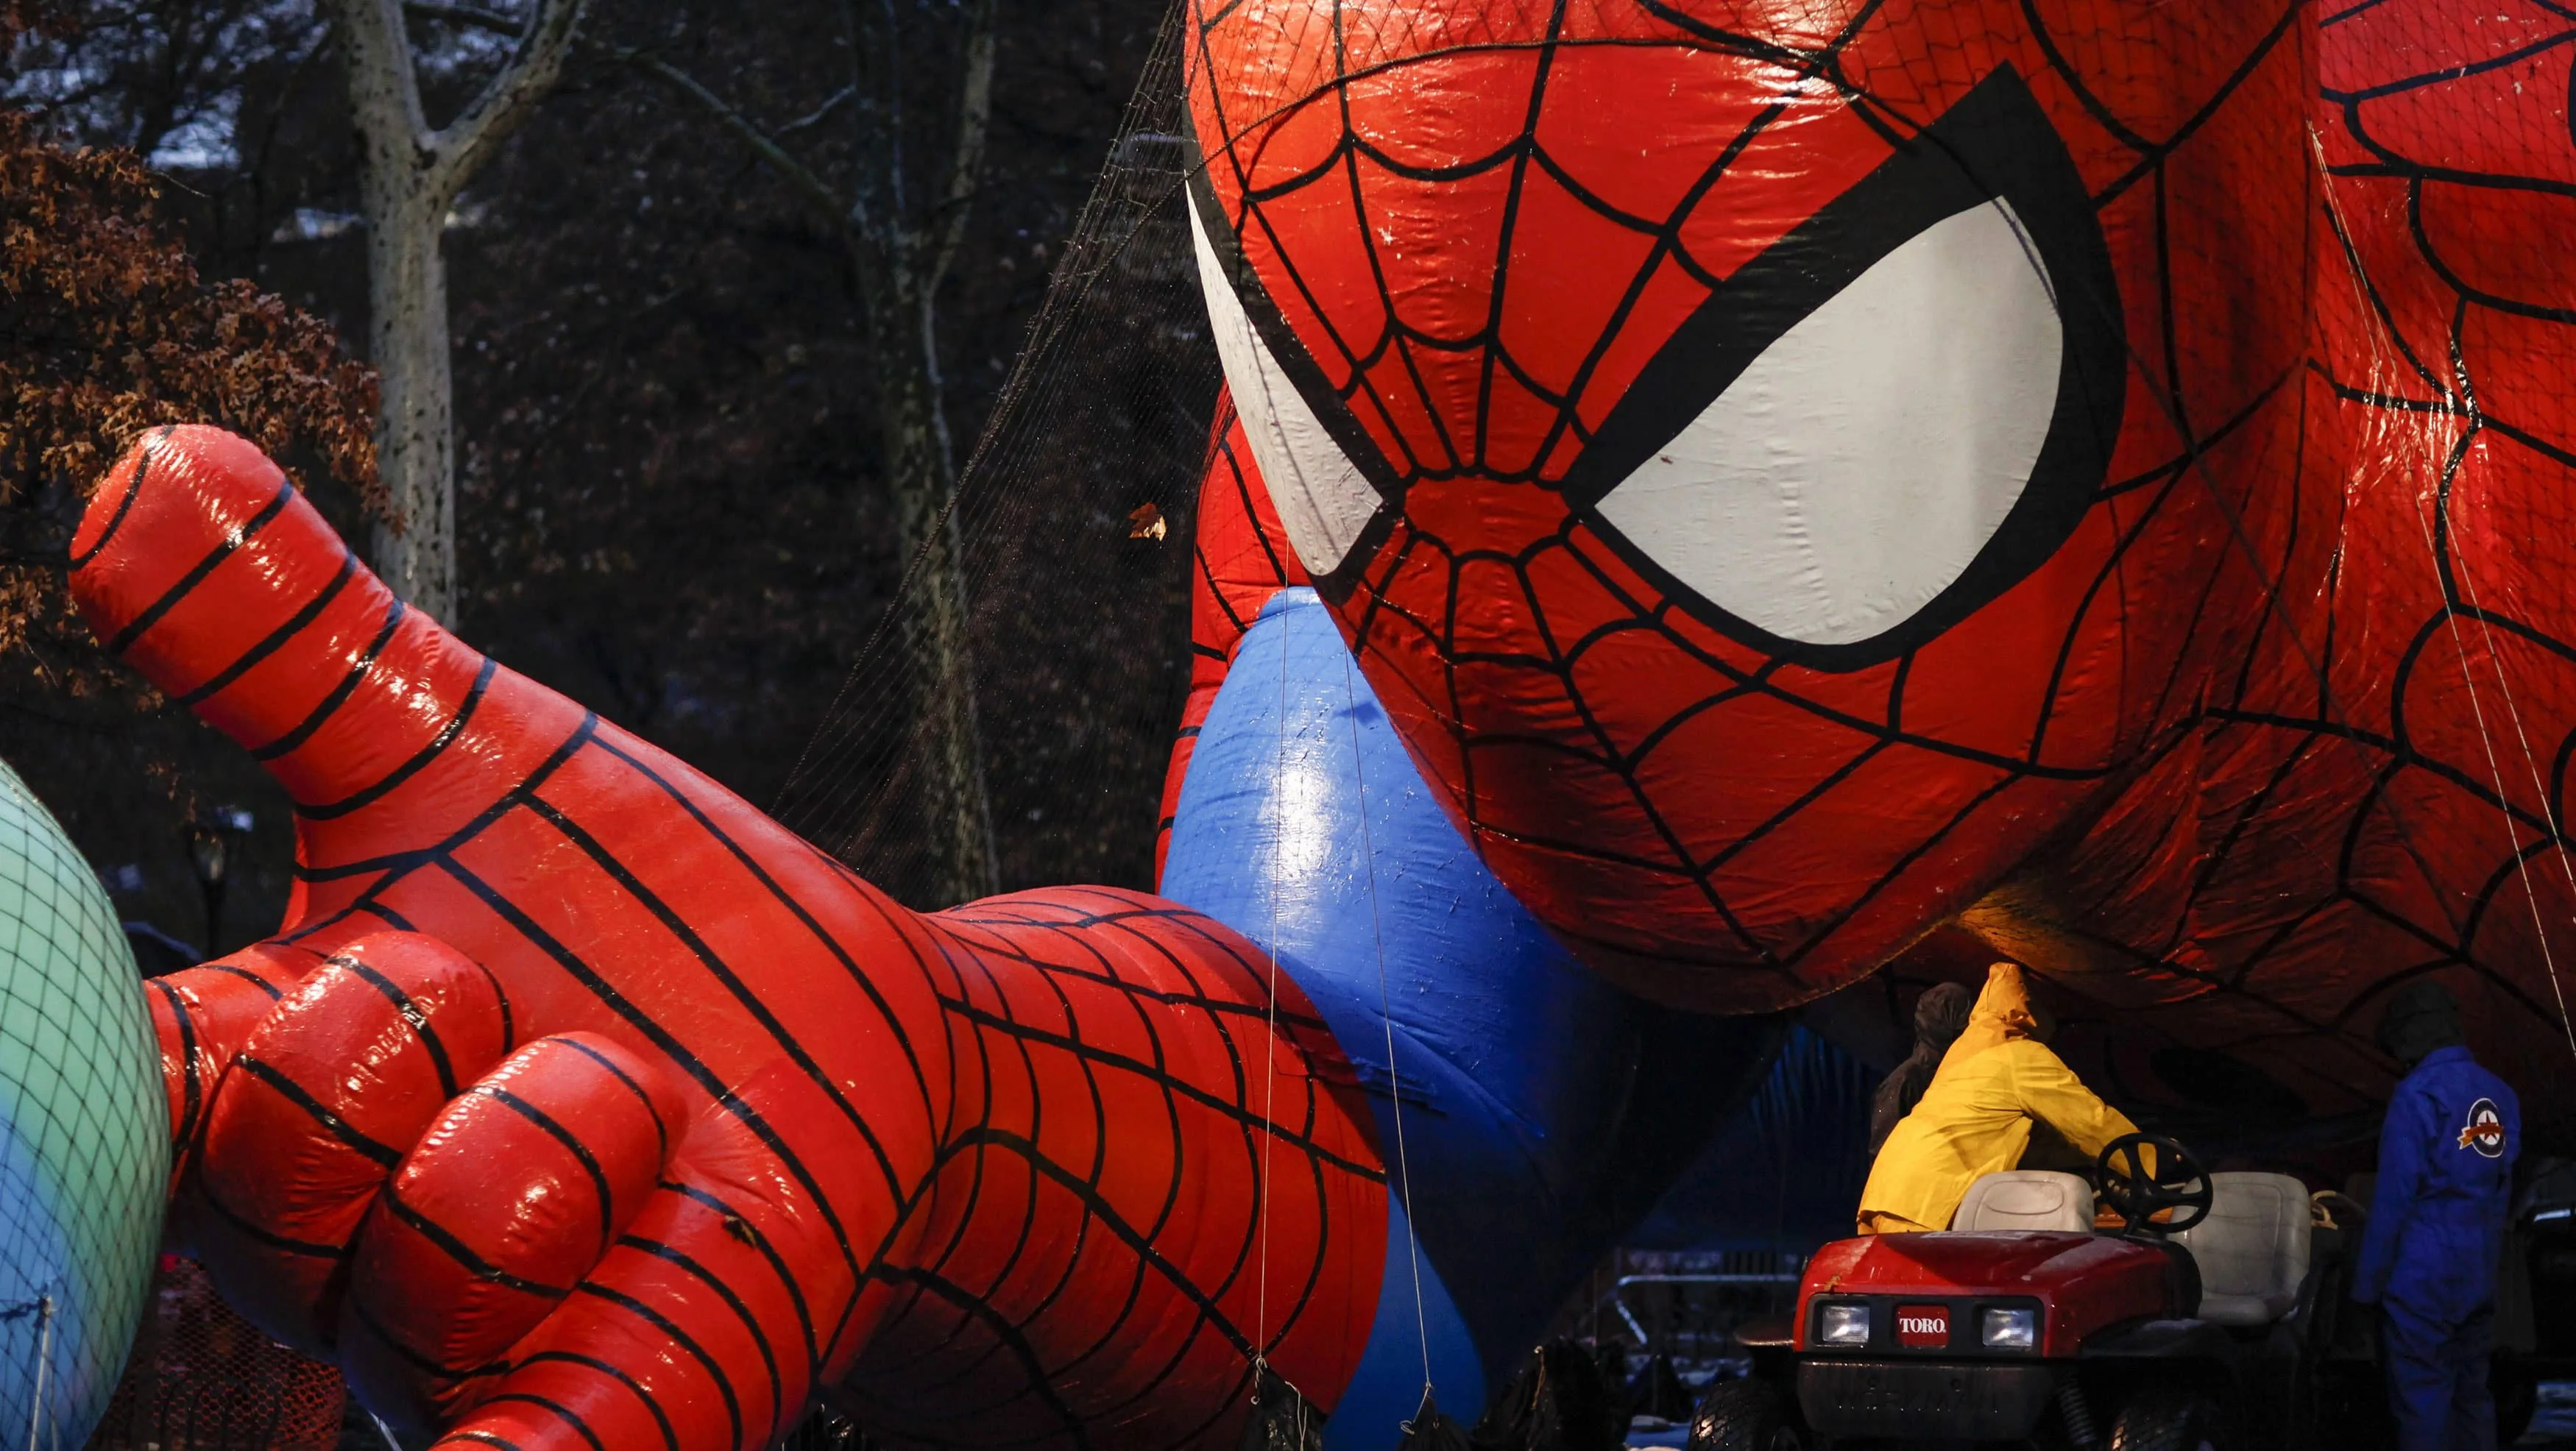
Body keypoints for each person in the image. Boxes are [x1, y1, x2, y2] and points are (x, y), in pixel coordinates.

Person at [2352, 980, 2522, 1451]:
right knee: (2473, 1396)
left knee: (2423, 1398)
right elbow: (2504, 1186)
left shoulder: (2416, 1094)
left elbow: (2393, 1200)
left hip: (2422, 1275)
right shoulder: (2502, 1095)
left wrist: (2366, 1288)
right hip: (2479, 1270)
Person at [1855, 962, 2145, 1235]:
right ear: (2029, 1007)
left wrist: (2087, 1162)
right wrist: (2153, 1163)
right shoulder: (2017, 1055)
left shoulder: (1963, 1057)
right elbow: (2092, 1123)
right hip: (1930, 1209)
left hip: (1890, 1201)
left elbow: (2021, 1142)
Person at [1867, 981, 1975, 1157]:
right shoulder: (1905, 1081)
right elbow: (1882, 1155)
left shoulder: (1954, 1075)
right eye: (1964, 1026)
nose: (1970, 1034)